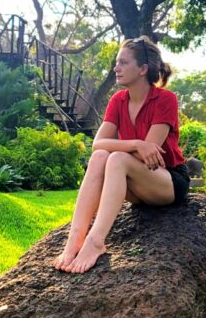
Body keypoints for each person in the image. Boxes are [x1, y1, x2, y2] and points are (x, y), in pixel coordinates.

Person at [53, 36, 190, 274]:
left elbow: (150, 156)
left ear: (142, 69)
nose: (116, 68)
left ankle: (96, 241)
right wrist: (136, 142)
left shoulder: (165, 99)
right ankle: (75, 238)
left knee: (114, 158)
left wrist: (130, 147)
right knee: (99, 158)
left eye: (123, 63)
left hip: (166, 181)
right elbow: (98, 144)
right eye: (117, 62)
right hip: (136, 184)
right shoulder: (118, 100)